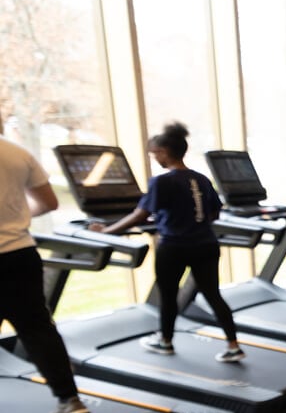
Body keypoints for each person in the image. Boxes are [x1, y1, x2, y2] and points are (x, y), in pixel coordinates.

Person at [91, 123, 244, 363]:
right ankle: (234, 346)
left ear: (164, 151)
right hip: (206, 244)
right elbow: (213, 212)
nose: (155, 158)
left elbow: (139, 215)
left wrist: (106, 231)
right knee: (213, 294)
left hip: (174, 247)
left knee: (169, 296)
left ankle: (166, 342)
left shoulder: (161, 182)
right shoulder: (201, 179)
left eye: (154, 154)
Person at [0, 125, 91, 413]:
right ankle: (69, 398)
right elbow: (49, 203)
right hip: (20, 253)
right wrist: (18, 216)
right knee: (37, 328)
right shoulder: (18, 153)